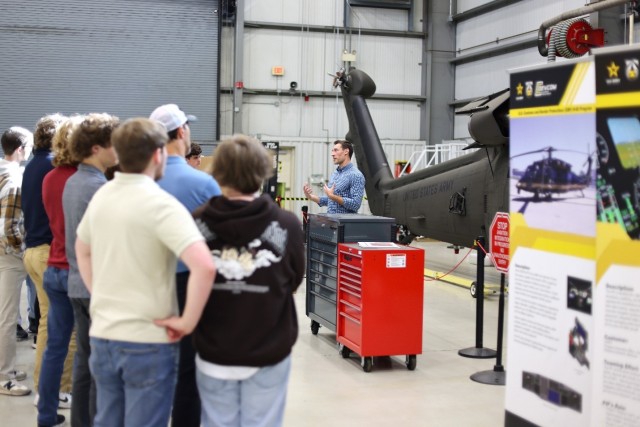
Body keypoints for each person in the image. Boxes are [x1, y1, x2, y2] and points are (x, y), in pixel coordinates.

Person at [75, 117, 216, 427]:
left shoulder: (103, 196)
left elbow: (82, 248)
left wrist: (98, 292)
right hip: (147, 341)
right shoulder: (162, 205)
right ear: (157, 155)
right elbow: (204, 265)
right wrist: (187, 321)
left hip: (104, 336)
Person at [190, 134, 305, 427]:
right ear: (262, 171)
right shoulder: (287, 224)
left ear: (218, 172)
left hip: (214, 349)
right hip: (268, 347)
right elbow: (292, 281)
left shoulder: (197, 222)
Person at [150, 104, 220, 427]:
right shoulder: (203, 185)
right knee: (188, 372)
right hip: (188, 284)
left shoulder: (141, 184)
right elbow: (219, 244)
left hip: (147, 283)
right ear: (181, 133)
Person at [62, 113, 119, 427]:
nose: (117, 151)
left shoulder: (73, 182)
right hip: (98, 288)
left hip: (77, 285)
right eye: (113, 145)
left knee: (85, 364)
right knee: (103, 370)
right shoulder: (99, 188)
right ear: (97, 148)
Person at [23, 114, 75, 409]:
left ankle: (44, 387)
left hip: (33, 250)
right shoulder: (54, 167)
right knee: (64, 329)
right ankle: (60, 390)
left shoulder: (32, 164)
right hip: (48, 252)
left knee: (47, 324)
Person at [38, 116, 82, 427]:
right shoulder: (83, 180)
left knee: (56, 345)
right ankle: (85, 414)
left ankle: (45, 413)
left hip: (54, 267)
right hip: (76, 269)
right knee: (85, 346)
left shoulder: (50, 177)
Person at [0, 127, 33, 397]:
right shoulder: (13, 178)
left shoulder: (1, 171)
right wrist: (22, 252)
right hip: (7, 256)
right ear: (21, 148)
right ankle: (4, 377)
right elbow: (8, 226)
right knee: (8, 318)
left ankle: (6, 369)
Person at [302, 140, 365, 213]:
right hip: (331, 222)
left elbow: (355, 204)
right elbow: (330, 200)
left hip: (345, 223)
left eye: (336, 150)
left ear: (346, 151)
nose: (332, 154)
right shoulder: (335, 173)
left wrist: (332, 196)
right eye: (332, 151)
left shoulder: (356, 175)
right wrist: (310, 196)